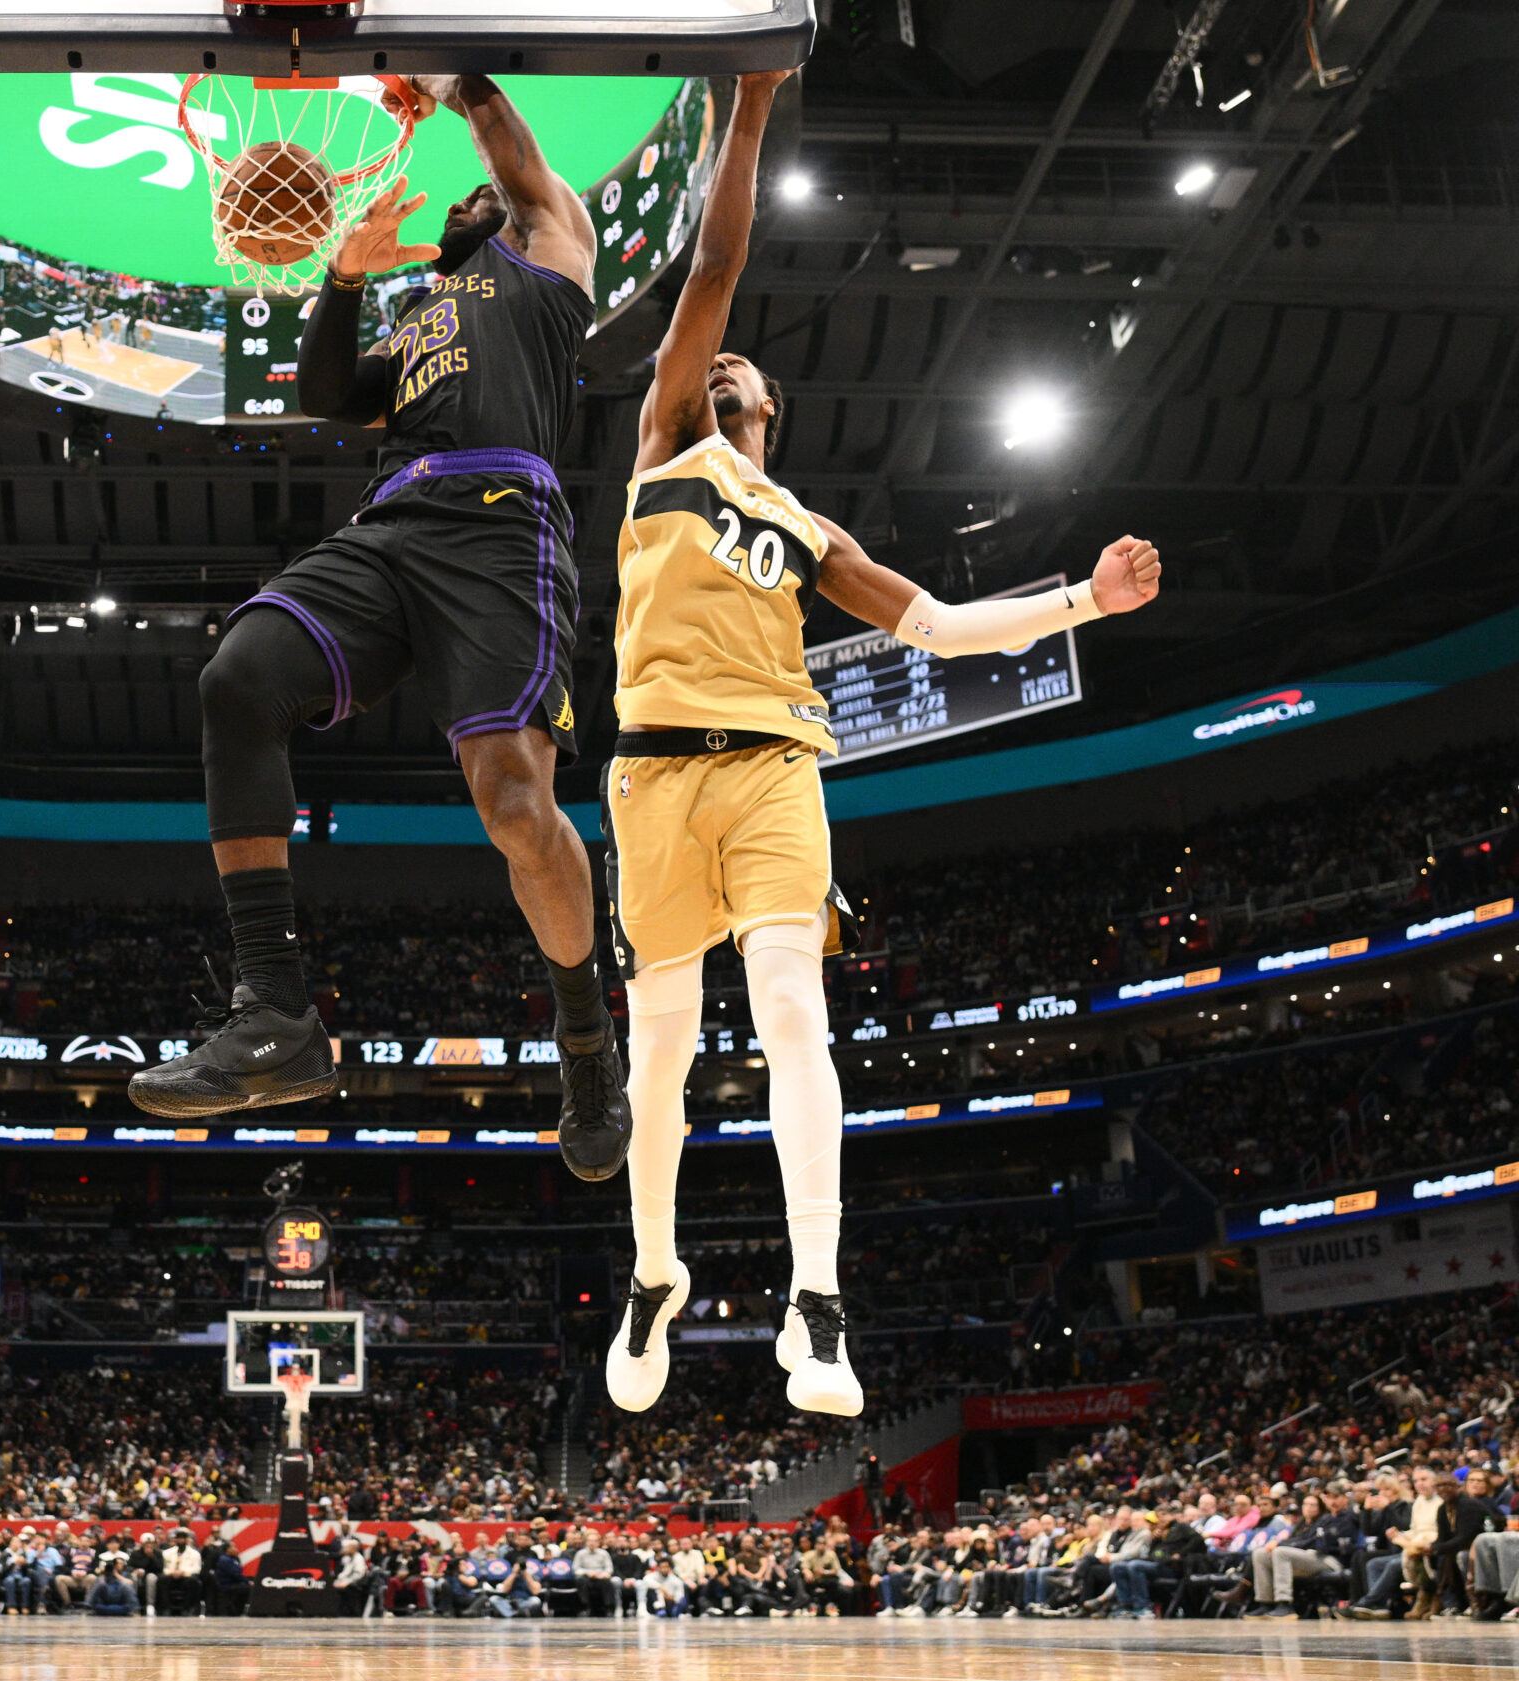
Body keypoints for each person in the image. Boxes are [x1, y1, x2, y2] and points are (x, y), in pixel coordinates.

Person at [599, 64, 1164, 1420]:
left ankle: (820, 1301)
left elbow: (947, 629)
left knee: (795, 1009)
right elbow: (715, 266)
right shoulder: (668, 442)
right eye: (712, 358)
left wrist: (1086, 596)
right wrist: (748, 109)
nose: (720, 360)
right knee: (658, 1058)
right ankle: (655, 1275)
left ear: (771, 417)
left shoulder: (808, 531)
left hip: (774, 770)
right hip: (651, 773)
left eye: (741, 371)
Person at [127, 73, 633, 1185]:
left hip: (504, 523)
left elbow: (507, 153)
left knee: (511, 803)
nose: (463, 201)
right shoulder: (420, 315)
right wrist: (347, 273)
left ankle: (587, 1038)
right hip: (400, 519)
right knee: (236, 681)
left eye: (478, 195)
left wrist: (457, 86)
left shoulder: (547, 251)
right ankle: (274, 1014)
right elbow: (321, 391)